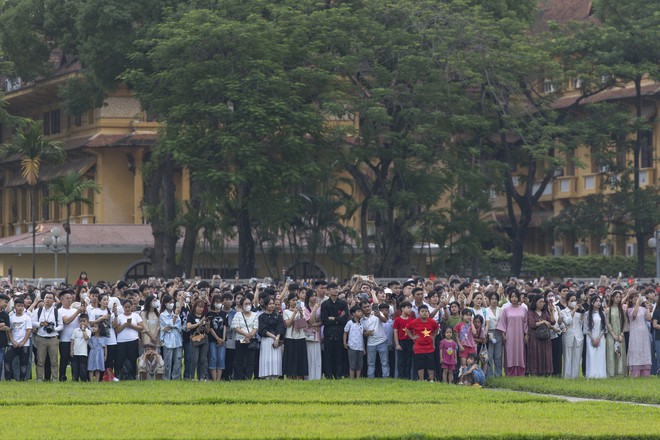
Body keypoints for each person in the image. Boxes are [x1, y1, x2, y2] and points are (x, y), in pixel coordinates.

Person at [32, 292, 63, 382]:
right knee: (40, 360)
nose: (48, 299)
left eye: (50, 298)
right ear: (43, 299)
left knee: (54, 360)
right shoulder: (38, 310)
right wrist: (40, 324)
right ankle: (39, 378)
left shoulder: (57, 311)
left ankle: (54, 378)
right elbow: (33, 322)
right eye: (46, 298)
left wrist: (54, 329)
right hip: (41, 337)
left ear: (53, 300)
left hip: (53, 338)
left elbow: (61, 326)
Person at [496, 290, 528, 376]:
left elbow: (525, 323)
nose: (514, 298)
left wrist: (526, 334)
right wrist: (503, 335)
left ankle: (520, 372)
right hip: (509, 335)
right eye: (512, 297)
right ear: (509, 298)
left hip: (520, 335)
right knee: (510, 352)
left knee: (520, 352)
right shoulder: (506, 310)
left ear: (519, 298)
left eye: (515, 296)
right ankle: (510, 372)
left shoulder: (524, 309)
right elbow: (502, 322)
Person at [321, 282, 349, 379]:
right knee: (328, 355)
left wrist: (333, 318)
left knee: (339, 355)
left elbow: (345, 319)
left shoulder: (342, 303)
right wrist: (338, 319)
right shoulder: (324, 304)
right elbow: (324, 320)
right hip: (328, 333)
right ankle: (328, 375)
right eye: (333, 289)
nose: (335, 290)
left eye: (336, 288)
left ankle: (338, 374)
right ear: (328, 291)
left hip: (340, 333)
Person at [405, 305, 439, 381]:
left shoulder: (432, 321)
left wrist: (434, 335)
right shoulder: (415, 322)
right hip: (418, 347)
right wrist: (412, 337)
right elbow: (407, 328)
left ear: (428, 313)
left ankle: (431, 380)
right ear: (419, 313)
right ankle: (421, 379)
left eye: (426, 311)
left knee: (430, 364)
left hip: (429, 347)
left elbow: (437, 328)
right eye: (422, 311)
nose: (424, 313)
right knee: (420, 364)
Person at [58, 290, 85, 382]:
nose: (70, 300)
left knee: (75, 360)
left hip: (76, 339)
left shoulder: (74, 310)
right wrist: (78, 312)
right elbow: (67, 321)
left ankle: (75, 377)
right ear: (61, 300)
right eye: (67, 298)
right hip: (65, 339)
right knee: (64, 359)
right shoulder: (60, 311)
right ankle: (62, 376)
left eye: (70, 298)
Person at [114, 299, 144, 380]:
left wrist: (131, 326)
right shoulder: (119, 317)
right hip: (121, 341)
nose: (127, 309)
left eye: (129, 307)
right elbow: (117, 330)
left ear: (132, 307)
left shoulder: (136, 316)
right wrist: (124, 325)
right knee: (120, 359)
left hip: (133, 340)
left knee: (133, 359)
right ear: (123, 307)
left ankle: (133, 375)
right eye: (125, 307)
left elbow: (141, 327)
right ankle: (120, 375)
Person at [360, 299, 390, 379]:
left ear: (370, 306)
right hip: (370, 343)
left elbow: (385, 320)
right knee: (370, 363)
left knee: (384, 362)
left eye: (368, 306)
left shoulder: (377, 313)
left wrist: (379, 316)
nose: (367, 308)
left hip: (382, 341)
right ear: (361, 309)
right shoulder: (361, 319)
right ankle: (370, 378)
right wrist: (367, 333)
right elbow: (362, 332)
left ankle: (386, 377)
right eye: (364, 307)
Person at [232, 296, 259, 380]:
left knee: (250, 360)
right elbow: (236, 327)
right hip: (240, 339)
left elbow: (256, 327)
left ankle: (248, 377)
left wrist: (250, 336)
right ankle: (239, 377)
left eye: (249, 304)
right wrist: (246, 335)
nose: (248, 305)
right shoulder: (238, 315)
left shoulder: (255, 315)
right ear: (242, 305)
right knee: (240, 360)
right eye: (246, 304)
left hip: (251, 340)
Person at [258, 296, 284, 379]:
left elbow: (280, 328)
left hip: (276, 340)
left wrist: (277, 338)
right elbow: (262, 329)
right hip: (266, 339)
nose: (272, 305)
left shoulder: (278, 316)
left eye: (273, 304)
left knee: (276, 358)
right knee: (267, 358)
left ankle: (275, 375)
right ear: (265, 305)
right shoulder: (261, 317)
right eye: (270, 304)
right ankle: (266, 376)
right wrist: (274, 337)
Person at [283, 293, 308, 379]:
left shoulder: (302, 310)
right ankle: (290, 375)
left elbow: (303, 324)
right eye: (293, 300)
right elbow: (288, 324)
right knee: (290, 357)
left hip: (300, 336)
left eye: (296, 300)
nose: (295, 302)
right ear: (289, 301)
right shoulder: (285, 312)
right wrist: (294, 313)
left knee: (300, 357)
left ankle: (300, 375)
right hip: (290, 337)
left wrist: (301, 314)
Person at [4, 298, 31, 380]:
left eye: (22, 306)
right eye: (18, 306)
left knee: (24, 363)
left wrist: (23, 342)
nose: (20, 308)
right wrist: (12, 341)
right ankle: (8, 378)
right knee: (7, 360)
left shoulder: (27, 318)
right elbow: (9, 330)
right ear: (15, 307)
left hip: (24, 344)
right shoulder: (11, 317)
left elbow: (28, 330)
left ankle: (22, 379)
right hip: (12, 344)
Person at [526, 295, 553, 376]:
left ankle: (545, 372)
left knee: (545, 354)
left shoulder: (545, 312)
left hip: (545, 337)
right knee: (535, 354)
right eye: (540, 302)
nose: (542, 304)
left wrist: (551, 312)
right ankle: (534, 372)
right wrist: (543, 321)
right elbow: (532, 324)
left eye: (543, 302)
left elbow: (552, 322)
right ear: (535, 302)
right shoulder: (530, 312)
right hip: (535, 337)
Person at [627, 294, 652, 377]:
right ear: (630, 300)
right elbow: (634, 315)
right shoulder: (629, 309)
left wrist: (647, 308)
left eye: (637, 296)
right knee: (636, 351)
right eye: (633, 297)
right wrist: (637, 303)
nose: (635, 298)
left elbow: (648, 318)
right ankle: (635, 373)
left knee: (644, 351)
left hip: (644, 333)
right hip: (635, 334)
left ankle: (645, 372)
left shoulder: (643, 309)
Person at [560, 293, 584, 379]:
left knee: (577, 357)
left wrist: (581, 312)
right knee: (567, 356)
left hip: (578, 336)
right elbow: (567, 321)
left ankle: (575, 377)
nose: (574, 302)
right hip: (568, 336)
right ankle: (567, 376)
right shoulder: (563, 312)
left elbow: (581, 323)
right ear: (567, 301)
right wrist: (574, 310)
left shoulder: (578, 312)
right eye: (572, 300)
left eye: (575, 300)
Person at [159, 294, 183, 380]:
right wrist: (174, 318)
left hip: (177, 339)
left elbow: (178, 325)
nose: (172, 304)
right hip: (167, 340)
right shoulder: (162, 315)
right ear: (165, 304)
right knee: (167, 361)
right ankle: (166, 378)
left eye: (173, 302)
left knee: (178, 360)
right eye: (170, 302)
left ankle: (176, 378)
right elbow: (167, 326)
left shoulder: (175, 313)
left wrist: (171, 324)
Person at [584, 296, 607, 379]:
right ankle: (591, 374)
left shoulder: (603, 314)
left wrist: (598, 338)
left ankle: (600, 375)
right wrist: (593, 338)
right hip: (590, 337)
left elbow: (604, 328)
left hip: (600, 337)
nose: (598, 303)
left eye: (599, 301)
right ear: (592, 303)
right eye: (596, 301)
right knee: (591, 355)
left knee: (600, 356)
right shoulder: (587, 314)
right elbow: (586, 328)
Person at [186, 299, 209, 381]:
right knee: (194, 359)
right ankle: (192, 377)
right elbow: (188, 326)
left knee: (203, 359)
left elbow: (207, 331)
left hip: (204, 338)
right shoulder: (191, 316)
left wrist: (207, 324)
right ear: (195, 307)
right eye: (199, 307)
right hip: (194, 339)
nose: (201, 309)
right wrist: (199, 322)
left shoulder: (204, 316)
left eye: (202, 307)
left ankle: (201, 377)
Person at [605, 290, 627, 377]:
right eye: (616, 297)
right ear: (612, 298)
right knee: (611, 352)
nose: (618, 299)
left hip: (620, 334)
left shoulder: (622, 310)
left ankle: (620, 372)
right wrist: (613, 334)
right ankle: (611, 372)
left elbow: (625, 322)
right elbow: (608, 323)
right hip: (611, 335)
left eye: (619, 297)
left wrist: (621, 333)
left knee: (620, 352)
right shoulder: (608, 310)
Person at [207, 294, 228, 381]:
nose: (218, 304)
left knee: (221, 358)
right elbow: (210, 328)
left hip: (222, 340)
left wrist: (223, 338)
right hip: (212, 340)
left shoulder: (224, 314)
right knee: (213, 357)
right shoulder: (209, 314)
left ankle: (218, 379)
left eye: (219, 302)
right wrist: (217, 338)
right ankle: (214, 378)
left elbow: (225, 326)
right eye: (216, 302)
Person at [303, 289, 322, 380]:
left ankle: (317, 377)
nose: (314, 298)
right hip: (308, 336)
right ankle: (309, 377)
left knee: (317, 357)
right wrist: (314, 310)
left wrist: (314, 324)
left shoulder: (320, 308)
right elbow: (309, 321)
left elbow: (321, 322)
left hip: (317, 334)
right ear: (308, 297)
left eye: (315, 296)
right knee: (310, 357)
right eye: (312, 296)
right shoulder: (305, 309)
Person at [393, 301, 415, 380]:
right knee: (401, 360)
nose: (410, 310)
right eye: (408, 308)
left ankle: (408, 377)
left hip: (410, 342)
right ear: (402, 308)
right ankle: (401, 377)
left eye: (410, 308)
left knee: (409, 360)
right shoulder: (397, 320)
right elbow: (395, 332)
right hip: (401, 341)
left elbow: (414, 331)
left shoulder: (412, 320)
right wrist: (397, 344)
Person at [343, 305, 364, 379]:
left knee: (359, 364)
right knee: (352, 363)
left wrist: (363, 348)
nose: (360, 313)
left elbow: (362, 337)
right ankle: (351, 378)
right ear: (353, 314)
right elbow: (345, 332)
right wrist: (344, 342)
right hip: (352, 346)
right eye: (358, 311)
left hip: (360, 347)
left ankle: (358, 378)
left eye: (361, 311)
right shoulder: (350, 323)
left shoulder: (362, 324)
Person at [69, 314, 91, 381]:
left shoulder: (88, 331)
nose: (82, 323)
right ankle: (75, 379)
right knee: (74, 367)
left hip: (83, 353)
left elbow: (86, 338)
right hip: (75, 352)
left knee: (83, 368)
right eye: (81, 321)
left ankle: (83, 379)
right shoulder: (75, 330)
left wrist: (83, 330)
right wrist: (71, 350)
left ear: (87, 322)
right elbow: (72, 340)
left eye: (84, 321)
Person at [485, 292, 502, 378]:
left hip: (499, 333)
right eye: (492, 299)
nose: (494, 301)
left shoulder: (501, 310)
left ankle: (498, 374)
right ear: (489, 300)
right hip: (489, 333)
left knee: (498, 356)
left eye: (496, 299)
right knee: (490, 355)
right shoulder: (486, 310)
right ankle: (490, 375)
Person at [0, 293, 10, 376]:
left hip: (2, 342)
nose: (6, 304)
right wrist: (1, 325)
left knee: (0, 361)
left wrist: (4, 326)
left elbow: (7, 328)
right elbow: (4, 326)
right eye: (5, 302)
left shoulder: (5, 314)